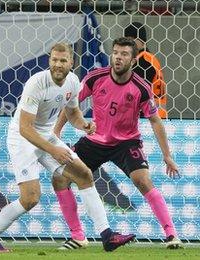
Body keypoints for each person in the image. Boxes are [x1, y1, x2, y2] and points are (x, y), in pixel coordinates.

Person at [0, 43, 135, 253]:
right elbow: (25, 128)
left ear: (71, 62)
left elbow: (72, 113)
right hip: (22, 139)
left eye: (63, 61)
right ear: (49, 60)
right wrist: (53, 151)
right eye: (54, 60)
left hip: (45, 135)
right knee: (30, 198)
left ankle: (107, 236)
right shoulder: (37, 83)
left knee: (84, 175)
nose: (58, 65)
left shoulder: (72, 81)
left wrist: (84, 125)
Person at [52, 37, 183, 250]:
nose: (118, 58)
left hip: (126, 142)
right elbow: (71, 105)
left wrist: (167, 155)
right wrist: (56, 132)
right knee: (59, 178)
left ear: (133, 61)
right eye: (115, 53)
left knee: (143, 181)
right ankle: (77, 236)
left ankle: (171, 234)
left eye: (124, 54)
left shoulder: (141, 88)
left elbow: (155, 120)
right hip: (95, 140)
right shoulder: (96, 77)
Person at [124, 22, 167, 119]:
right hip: (157, 117)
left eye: (132, 39)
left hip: (148, 119)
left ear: (142, 40)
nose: (129, 43)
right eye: (127, 40)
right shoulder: (150, 58)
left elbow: (139, 95)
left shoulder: (142, 62)